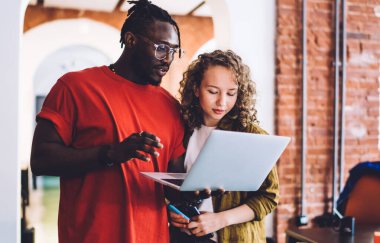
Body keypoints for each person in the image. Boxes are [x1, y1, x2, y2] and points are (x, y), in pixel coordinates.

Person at [30, 1, 186, 242]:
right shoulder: (74, 87)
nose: (168, 59)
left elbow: (172, 186)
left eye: (174, 51)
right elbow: (41, 160)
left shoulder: (171, 107)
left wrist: (195, 190)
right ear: (131, 40)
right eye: (161, 48)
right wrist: (112, 153)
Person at [168, 50, 279, 243]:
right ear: (196, 89)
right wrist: (174, 212)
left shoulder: (252, 136)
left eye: (231, 93)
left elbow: (269, 197)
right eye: (212, 91)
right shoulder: (182, 130)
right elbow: (175, 188)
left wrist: (220, 220)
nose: (222, 102)